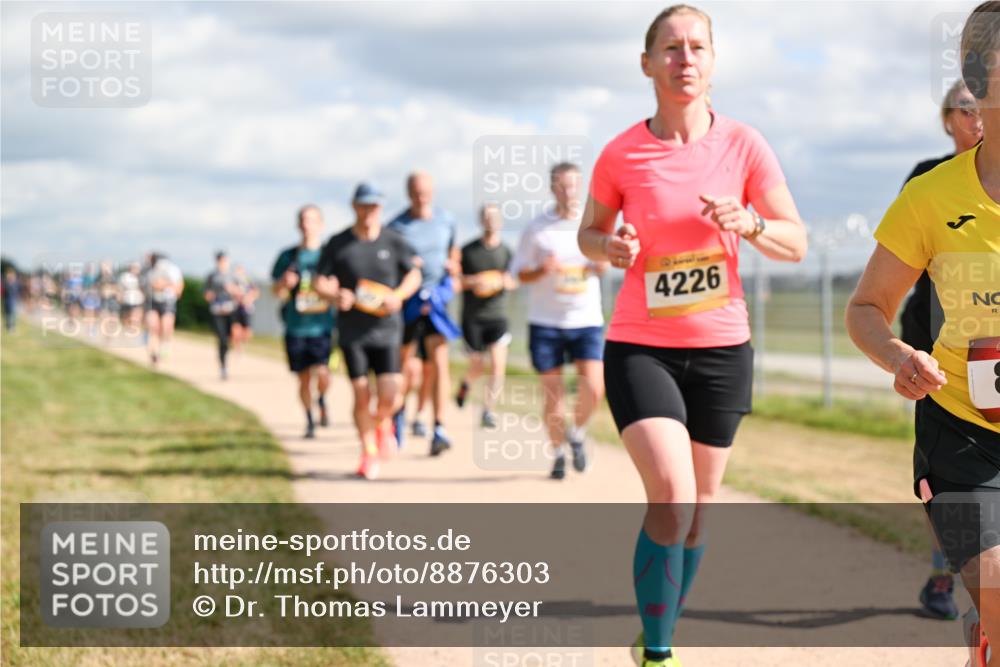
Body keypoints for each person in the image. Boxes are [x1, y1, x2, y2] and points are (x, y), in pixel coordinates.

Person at [577, 6, 807, 665]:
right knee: (673, 498)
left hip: (722, 349)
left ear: (712, 61)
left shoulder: (744, 144)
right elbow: (588, 233)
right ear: (647, 63)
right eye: (672, 48)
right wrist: (610, 246)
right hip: (641, 346)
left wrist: (750, 223)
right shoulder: (621, 153)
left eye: (697, 47)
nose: (685, 59)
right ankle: (658, 652)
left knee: (703, 510)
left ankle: (659, 628)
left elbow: (795, 241)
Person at [846, 4, 1000, 665]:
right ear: (978, 78)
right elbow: (866, 307)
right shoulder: (930, 196)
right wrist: (897, 355)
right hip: (963, 436)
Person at [897, 79, 984, 622]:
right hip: (935, 343)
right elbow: (902, 257)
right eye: (965, 108)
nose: (977, 117)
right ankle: (940, 577)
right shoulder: (927, 178)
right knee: (947, 471)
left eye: (985, 105)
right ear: (948, 119)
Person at [317, 183, 422, 480]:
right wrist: (334, 296)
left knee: (391, 394)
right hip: (353, 331)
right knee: (361, 394)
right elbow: (319, 282)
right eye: (364, 206)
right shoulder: (338, 243)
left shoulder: (394, 241)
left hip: (387, 329)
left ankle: (382, 423)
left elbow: (414, 274)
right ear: (354, 206)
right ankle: (368, 452)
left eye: (374, 206)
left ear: (381, 208)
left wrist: (398, 296)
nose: (369, 212)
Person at [512, 162, 607, 480]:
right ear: (552, 188)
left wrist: (601, 265)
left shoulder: (592, 224)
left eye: (573, 185)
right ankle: (556, 454)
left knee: (594, 387)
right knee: (554, 396)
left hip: (586, 319)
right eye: (562, 186)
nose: (568, 192)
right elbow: (518, 273)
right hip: (546, 322)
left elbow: (606, 261)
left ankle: (577, 434)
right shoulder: (537, 229)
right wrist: (541, 270)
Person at [388, 171, 462, 455]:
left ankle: (439, 427)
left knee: (440, 363)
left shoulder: (446, 220)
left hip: (437, 301)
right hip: (409, 302)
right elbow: (389, 262)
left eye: (426, 192)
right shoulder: (396, 227)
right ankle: (398, 412)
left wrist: (453, 266)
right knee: (406, 367)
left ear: (433, 191)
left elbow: (453, 253)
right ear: (408, 193)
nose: (421, 198)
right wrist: (406, 264)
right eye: (416, 193)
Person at [271, 205, 336, 439]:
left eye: (312, 220)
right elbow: (275, 291)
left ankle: (322, 399)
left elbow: (338, 287)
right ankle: (309, 419)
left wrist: (327, 288)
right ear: (298, 224)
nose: (307, 225)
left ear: (321, 224)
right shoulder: (288, 256)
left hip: (323, 325)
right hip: (296, 326)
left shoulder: (329, 255)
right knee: (304, 378)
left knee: (323, 372)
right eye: (303, 220)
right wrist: (283, 283)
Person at [455, 203, 516, 428]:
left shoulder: (507, 252)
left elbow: (515, 279)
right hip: (473, 318)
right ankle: (465, 384)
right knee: (478, 366)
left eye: (495, 217)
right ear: (481, 220)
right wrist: (475, 282)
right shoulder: (468, 251)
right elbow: (456, 281)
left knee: (498, 366)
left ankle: (488, 410)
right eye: (487, 217)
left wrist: (503, 282)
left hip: (497, 316)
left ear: (500, 220)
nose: (491, 221)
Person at [144, 252, 184, 365]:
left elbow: (178, 286)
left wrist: (167, 286)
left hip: (168, 301)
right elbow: (154, 285)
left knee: (166, 326)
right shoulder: (150, 271)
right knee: (154, 327)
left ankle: (165, 344)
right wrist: (167, 285)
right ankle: (154, 353)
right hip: (153, 301)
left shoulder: (173, 270)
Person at [204, 251, 239, 380]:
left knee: (231, 337)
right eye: (219, 261)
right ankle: (223, 367)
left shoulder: (233, 275)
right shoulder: (212, 276)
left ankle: (231, 352)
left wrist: (232, 290)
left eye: (224, 260)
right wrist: (210, 296)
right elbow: (206, 293)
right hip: (217, 311)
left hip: (231, 310)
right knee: (222, 339)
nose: (222, 263)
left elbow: (242, 292)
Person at [231, 264, 259, 353]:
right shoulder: (232, 281)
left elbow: (256, 292)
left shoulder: (249, 281)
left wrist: (249, 298)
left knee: (248, 333)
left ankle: (241, 342)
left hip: (247, 310)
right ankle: (237, 348)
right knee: (235, 330)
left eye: (240, 271)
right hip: (235, 308)